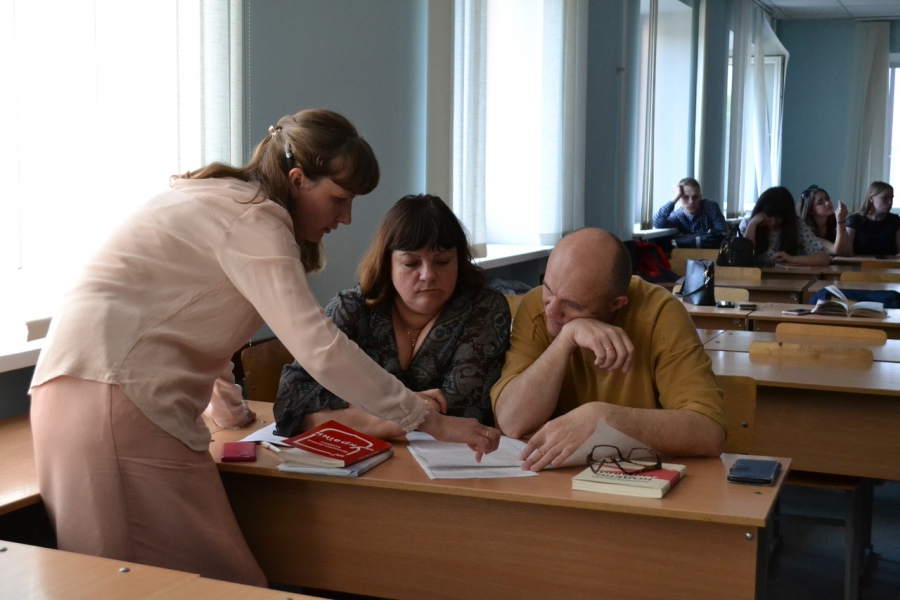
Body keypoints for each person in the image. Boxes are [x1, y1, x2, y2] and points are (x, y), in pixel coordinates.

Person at [28, 110, 500, 586]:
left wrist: (230, 413)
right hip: (114, 402)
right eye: (339, 199)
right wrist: (428, 420)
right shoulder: (256, 220)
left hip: (84, 392)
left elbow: (190, 317)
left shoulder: (223, 201)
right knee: (202, 586)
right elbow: (321, 348)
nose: (346, 217)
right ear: (298, 181)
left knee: (166, 584)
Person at [274, 194, 510, 438]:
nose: (428, 275)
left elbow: (459, 413)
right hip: (362, 457)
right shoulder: (352, 308)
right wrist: (406, 416)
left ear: (458, 262)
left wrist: (371, 413)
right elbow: (289, 405)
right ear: (387, 263)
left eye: (442, 261)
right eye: (411, 264)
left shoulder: (483, 309)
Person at [490, 228, 726, 472]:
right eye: (547, 288)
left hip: (636, 474)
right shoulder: (535, 306)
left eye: (572, 305)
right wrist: (566, 339)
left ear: (616, 304)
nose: (550, 311)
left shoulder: (660, 314)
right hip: (555, 476)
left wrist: (605, 419)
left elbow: (710, 432)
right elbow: (511, 422)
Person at [739, 186, 831, 267]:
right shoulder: (749, 223)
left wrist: (791, 259)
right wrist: (752, 224)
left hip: (788, 278)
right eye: (769, 216)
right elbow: (743, 259)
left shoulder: (797, 225)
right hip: (755, 277)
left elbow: (824, 258)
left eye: (779, 218)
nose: (773, 222)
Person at [651, 177, 728, 235]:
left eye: (695, 197)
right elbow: (657, 222)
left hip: (712, 250)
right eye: (685, 197)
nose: (691, 202)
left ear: (700, 197)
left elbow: (723, 233)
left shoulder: (710, 207)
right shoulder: (678, 215)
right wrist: (676, 196)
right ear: (679, 199)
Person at [846, 181, 899, 256]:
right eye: (885, 198)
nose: (890, 202)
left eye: (891, 198)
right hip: (860, 262)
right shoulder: (854, 220)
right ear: (871, 198)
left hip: (889, 263)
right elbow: (847, 252)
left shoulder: (895, 220)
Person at [796, 184, 851, 256]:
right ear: (811, 210)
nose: (827, 203)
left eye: (827, 198)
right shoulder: (807, 230)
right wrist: (841, 221)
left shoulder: (833, 221)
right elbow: (838, 251)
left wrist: (840, 222)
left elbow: (849, 249)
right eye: (820, 202)